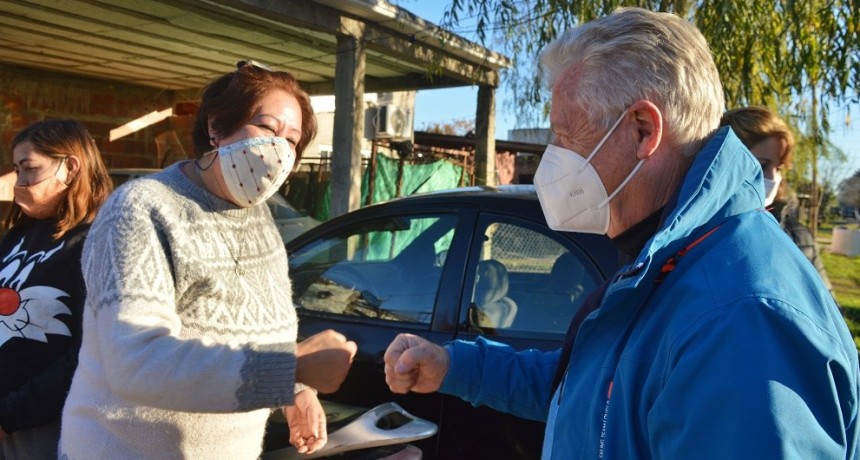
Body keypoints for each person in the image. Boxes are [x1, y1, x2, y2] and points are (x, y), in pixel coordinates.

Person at [384, 7, 859, 458]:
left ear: (642, 131)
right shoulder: (668, 259)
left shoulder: (740, 318)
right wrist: (457, 366)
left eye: (568, 135)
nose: (554, 158)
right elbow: (598, 392)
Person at [59, 61, 357, 459]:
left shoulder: (259, 217)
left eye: (292, 139)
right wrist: (290, 368)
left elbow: (259, 330)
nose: (279, 149)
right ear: (216, 126)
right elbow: (136, 361)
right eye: (267, 128)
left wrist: (294, 391)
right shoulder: (141, 209)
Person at [0, 119, 113, 459]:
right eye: (17, 170)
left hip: (42, 429)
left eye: (29, 169)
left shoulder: (98, 241)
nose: (20, 183)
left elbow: (89, 350)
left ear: (70, 167)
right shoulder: (22, 233)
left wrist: (11, 415)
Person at [720, 106, 834, 294]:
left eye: (779, 167)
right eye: (762, 165)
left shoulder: (799, 235)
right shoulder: (694, 234)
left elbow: (829, 308)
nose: (773, 177)